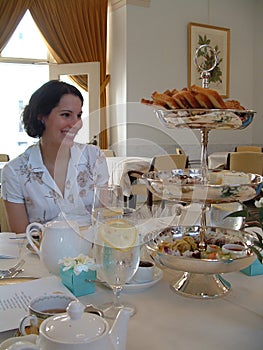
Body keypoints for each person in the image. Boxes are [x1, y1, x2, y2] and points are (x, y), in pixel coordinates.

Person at [1, 80, 109, 233]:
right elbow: (21, 237)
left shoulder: (94, 158)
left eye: (78, 115)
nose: (76, 124)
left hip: (91, 253)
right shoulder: (15, 171)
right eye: (66, 115)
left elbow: (105, 221)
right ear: (41, 116)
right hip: (41, 254)